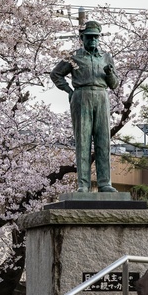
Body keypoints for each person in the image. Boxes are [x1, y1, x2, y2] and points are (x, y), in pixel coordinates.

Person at [50, 21, 120, 193]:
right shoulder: (73, 56)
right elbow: (56, 74)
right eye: (89, 37)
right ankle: (83, 184)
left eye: (96, 37)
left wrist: (110, 73)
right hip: (81, 96)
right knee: (83, 141)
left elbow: (115, 85)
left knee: (103, 140)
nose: (93, 40)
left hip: (102, 97)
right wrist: (69, 90)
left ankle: (105, 183)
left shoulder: (106, 57)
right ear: (82, 38)